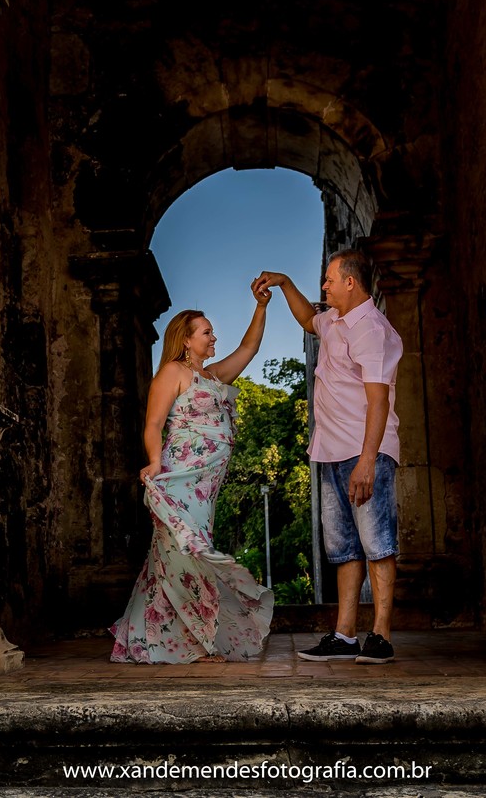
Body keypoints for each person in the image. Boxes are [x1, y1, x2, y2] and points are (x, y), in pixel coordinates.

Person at [252, 248, 402, 664]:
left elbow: (378, 400)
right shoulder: (335, 321)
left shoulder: (370, 329)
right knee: (344, 549)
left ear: (350, 282)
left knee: (378, 543)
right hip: (332, 452)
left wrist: (368, 460)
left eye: (329, 279)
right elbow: (305, 319)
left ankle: (382, 637)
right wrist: (284, 282)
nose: (324, 286)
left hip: (364, 449)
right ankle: (345, 635)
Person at [110, 287, 275, 663]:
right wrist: (154, 460)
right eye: (206, 332)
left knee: (179, 552)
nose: (214, 337)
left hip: (206, 485)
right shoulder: (173, 372)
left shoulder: (212, 376)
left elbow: (248, 349)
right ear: (186, 340)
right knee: (182, 550)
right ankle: (194, 638)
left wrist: (261, 306)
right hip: (181, 477)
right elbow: (153, 423)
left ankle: (168, 635)